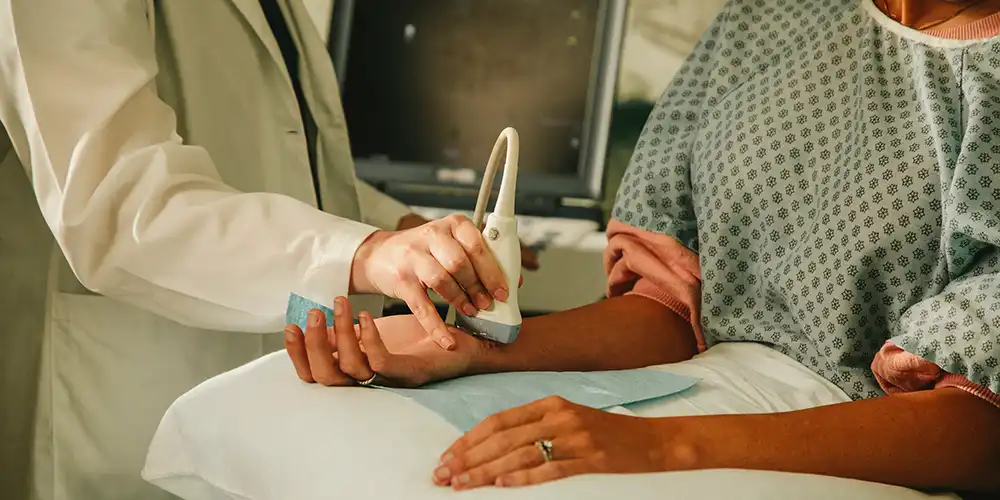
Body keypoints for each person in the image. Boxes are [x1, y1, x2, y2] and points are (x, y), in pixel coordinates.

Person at [286, 0, 1000, 496]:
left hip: (863, 445)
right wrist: (470, 350)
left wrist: (658, 447)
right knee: (312, 428)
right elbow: (666, 304)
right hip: (700, 387)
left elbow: (979, 424)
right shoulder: (770, 19)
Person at [0, 1, 538, 499]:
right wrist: (365, 252)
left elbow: (281, 146)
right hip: (132, 386)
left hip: (279, 394)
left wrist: (395, 225)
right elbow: (118, 201)